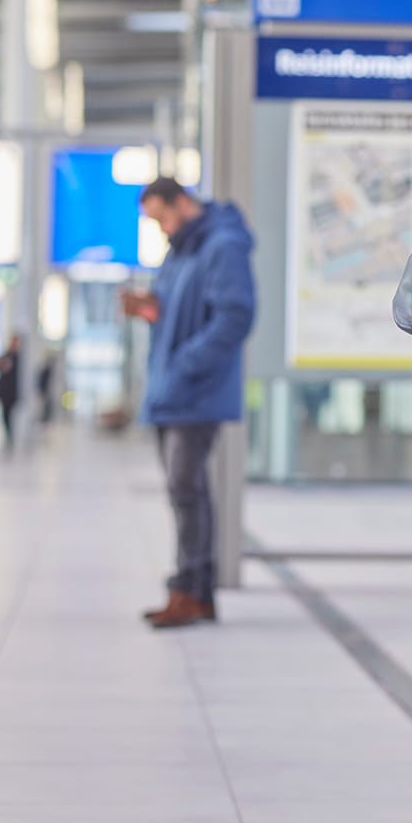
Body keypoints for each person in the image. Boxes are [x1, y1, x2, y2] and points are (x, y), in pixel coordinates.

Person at [122, 177, 257, 630]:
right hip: (173, 389)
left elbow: (236, 316)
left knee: (187, 490)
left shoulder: (222, 245)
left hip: (196, 390)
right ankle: (194, 592)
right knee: (184, 492)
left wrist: (185, 363)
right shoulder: (180, 251)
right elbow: (179, 311)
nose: (161, 228)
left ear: (182, 203)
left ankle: (191, 591)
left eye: (162, 217)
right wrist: (149, 307)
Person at [0, 334, 22, 454]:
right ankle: (9, 438)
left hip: (14, 393)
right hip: (5, 393)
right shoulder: (6, 356)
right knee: (5, 416)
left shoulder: (20, 358)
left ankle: (14, 438)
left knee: (14, 417)